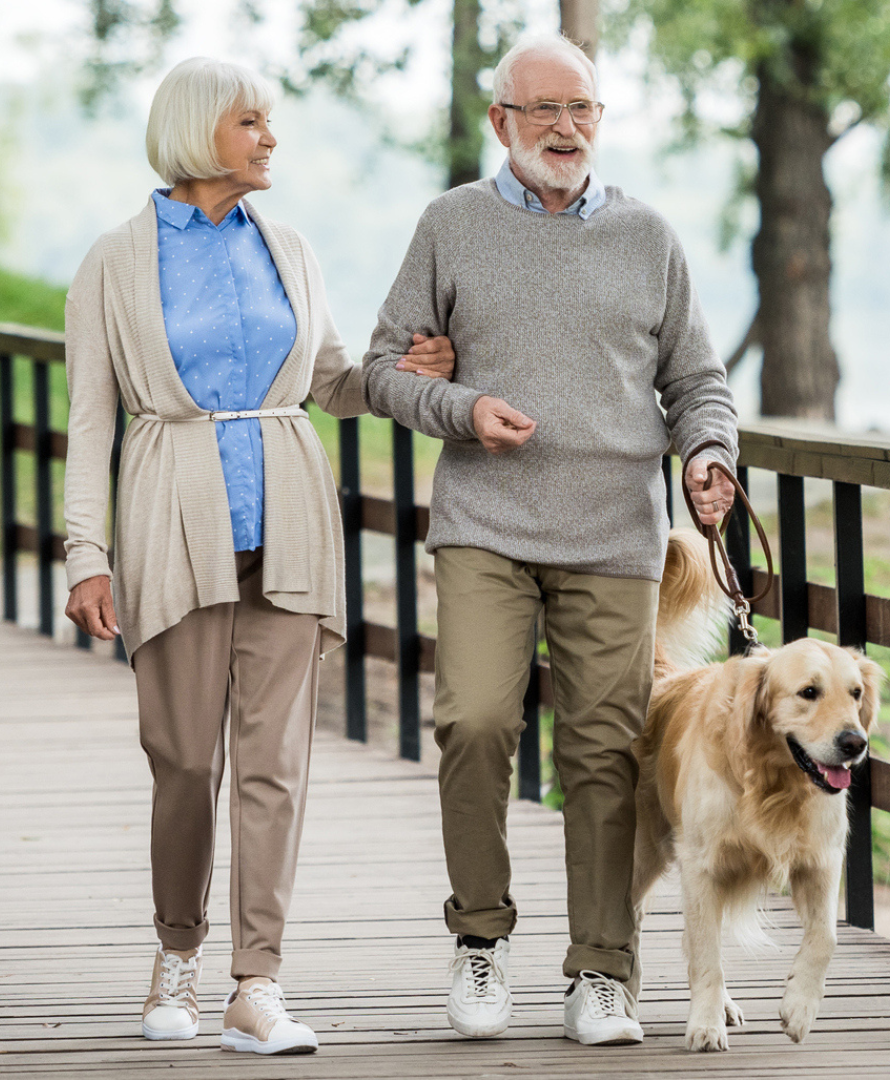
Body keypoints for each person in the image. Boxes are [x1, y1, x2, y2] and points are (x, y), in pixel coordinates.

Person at [62, 56, 454, 1056]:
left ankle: (256, 984)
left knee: (275, 765)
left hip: (289, 518)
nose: (270, 138)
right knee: (184, 761)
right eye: (252, 122)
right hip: (171, 525)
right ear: (201, 133)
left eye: (269, 123)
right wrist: (85, 553)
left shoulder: (290, 246)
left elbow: (328, 379)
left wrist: (401, 373)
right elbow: (92, 422)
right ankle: (177, 955)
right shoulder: (115, 260)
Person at [363, 34, 738, 1047]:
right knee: (477, 723)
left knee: (604, 751)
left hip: (616, 532)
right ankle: (480, 942)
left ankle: (603, 972)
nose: (566, 129)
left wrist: (708, 451)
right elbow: (385, 370)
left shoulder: (649, 237)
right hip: (486, 522)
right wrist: (464, 405)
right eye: (544, 112)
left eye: (583, 109)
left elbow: (697, 381)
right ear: (501, 123)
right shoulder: (450, 224)